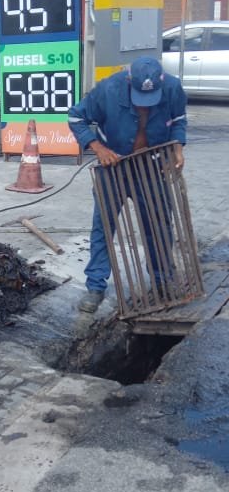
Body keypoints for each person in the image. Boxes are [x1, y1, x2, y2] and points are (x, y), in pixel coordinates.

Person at [68, 56, 187, 313]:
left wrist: (177, 148)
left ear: (161, 83)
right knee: (104, 226)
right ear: (129, 81)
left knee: (158, 225)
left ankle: (162, 280)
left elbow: (178, 120)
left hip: (151, 167)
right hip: (114, 167)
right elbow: (76, 118)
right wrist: (98, 148)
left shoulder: (173, 89)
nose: (144, 106)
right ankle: (96, 286)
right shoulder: (108, 89)